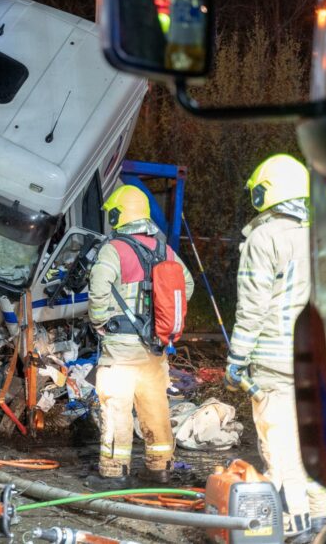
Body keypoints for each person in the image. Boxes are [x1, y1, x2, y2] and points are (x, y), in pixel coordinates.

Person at [225, 154, 326, 542]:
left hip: (279, 365)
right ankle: (323, 518)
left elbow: (253, 307)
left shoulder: (264, 237)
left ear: (264, 193)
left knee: (283, 448)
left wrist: (237, 358)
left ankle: (295, 524)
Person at [86, 185, 194, 489]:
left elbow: (98, 289)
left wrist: (99, 321)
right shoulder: (164, 250)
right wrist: (163, 315)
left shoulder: (114, 249)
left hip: (121, 349)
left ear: (119, 215)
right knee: (155, 406)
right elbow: (187, 285)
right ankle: (159, 469)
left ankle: (114, 473)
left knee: (116, 408)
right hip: (154, 347)